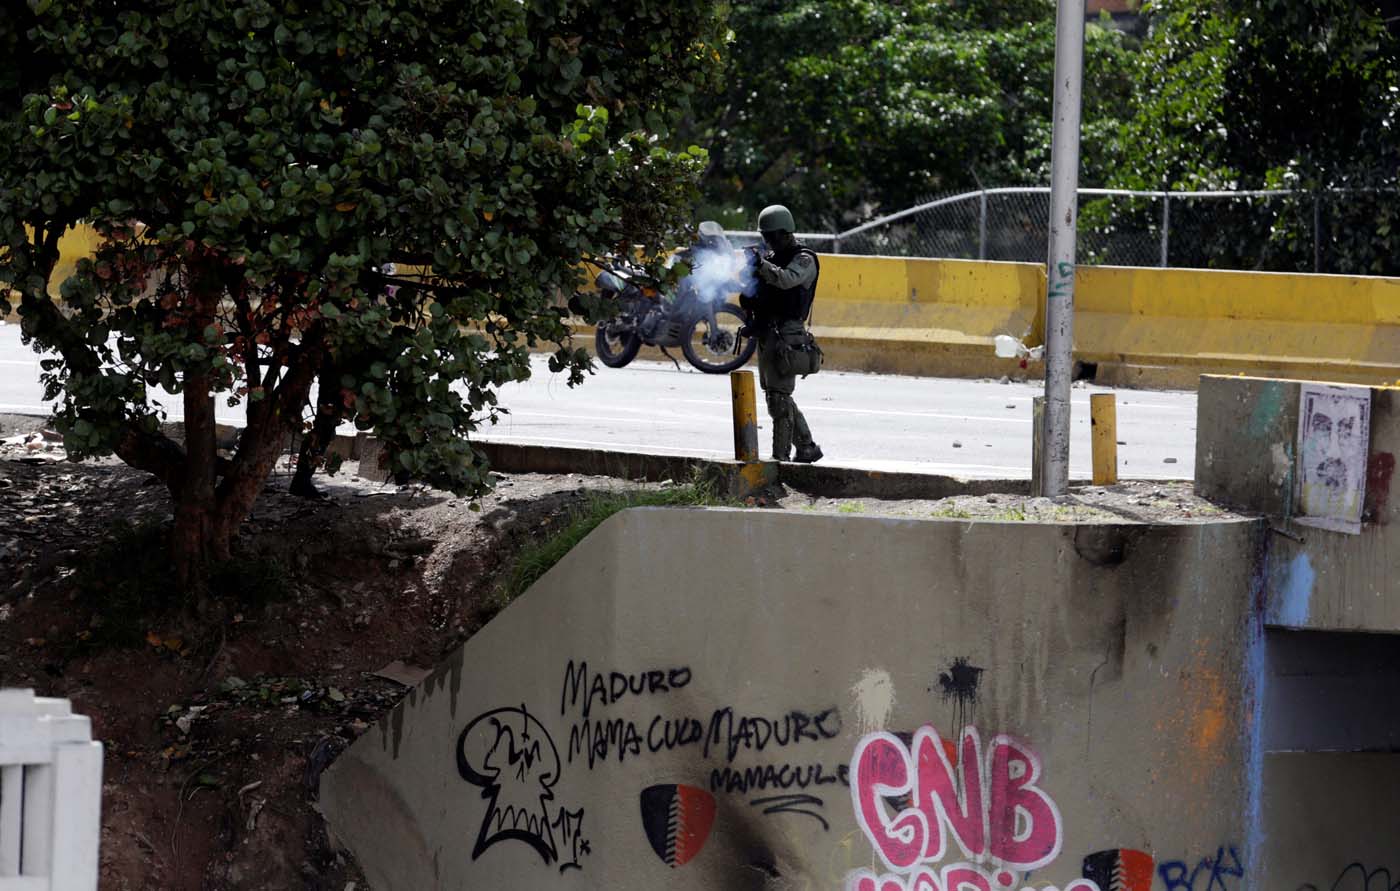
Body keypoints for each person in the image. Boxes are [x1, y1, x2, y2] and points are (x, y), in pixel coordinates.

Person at [741, 204, 823, 463]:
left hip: (788, 333)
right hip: (769, 332)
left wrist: (761, 265)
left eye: (772, 236)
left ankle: (781, 458)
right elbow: (761, 294)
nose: (768, 242)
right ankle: (807, 447)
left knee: (778, 399)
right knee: (776, 395)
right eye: (765, 237)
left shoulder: (804, 259)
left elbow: (787, 280)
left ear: (786, 233)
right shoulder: (773, 259)